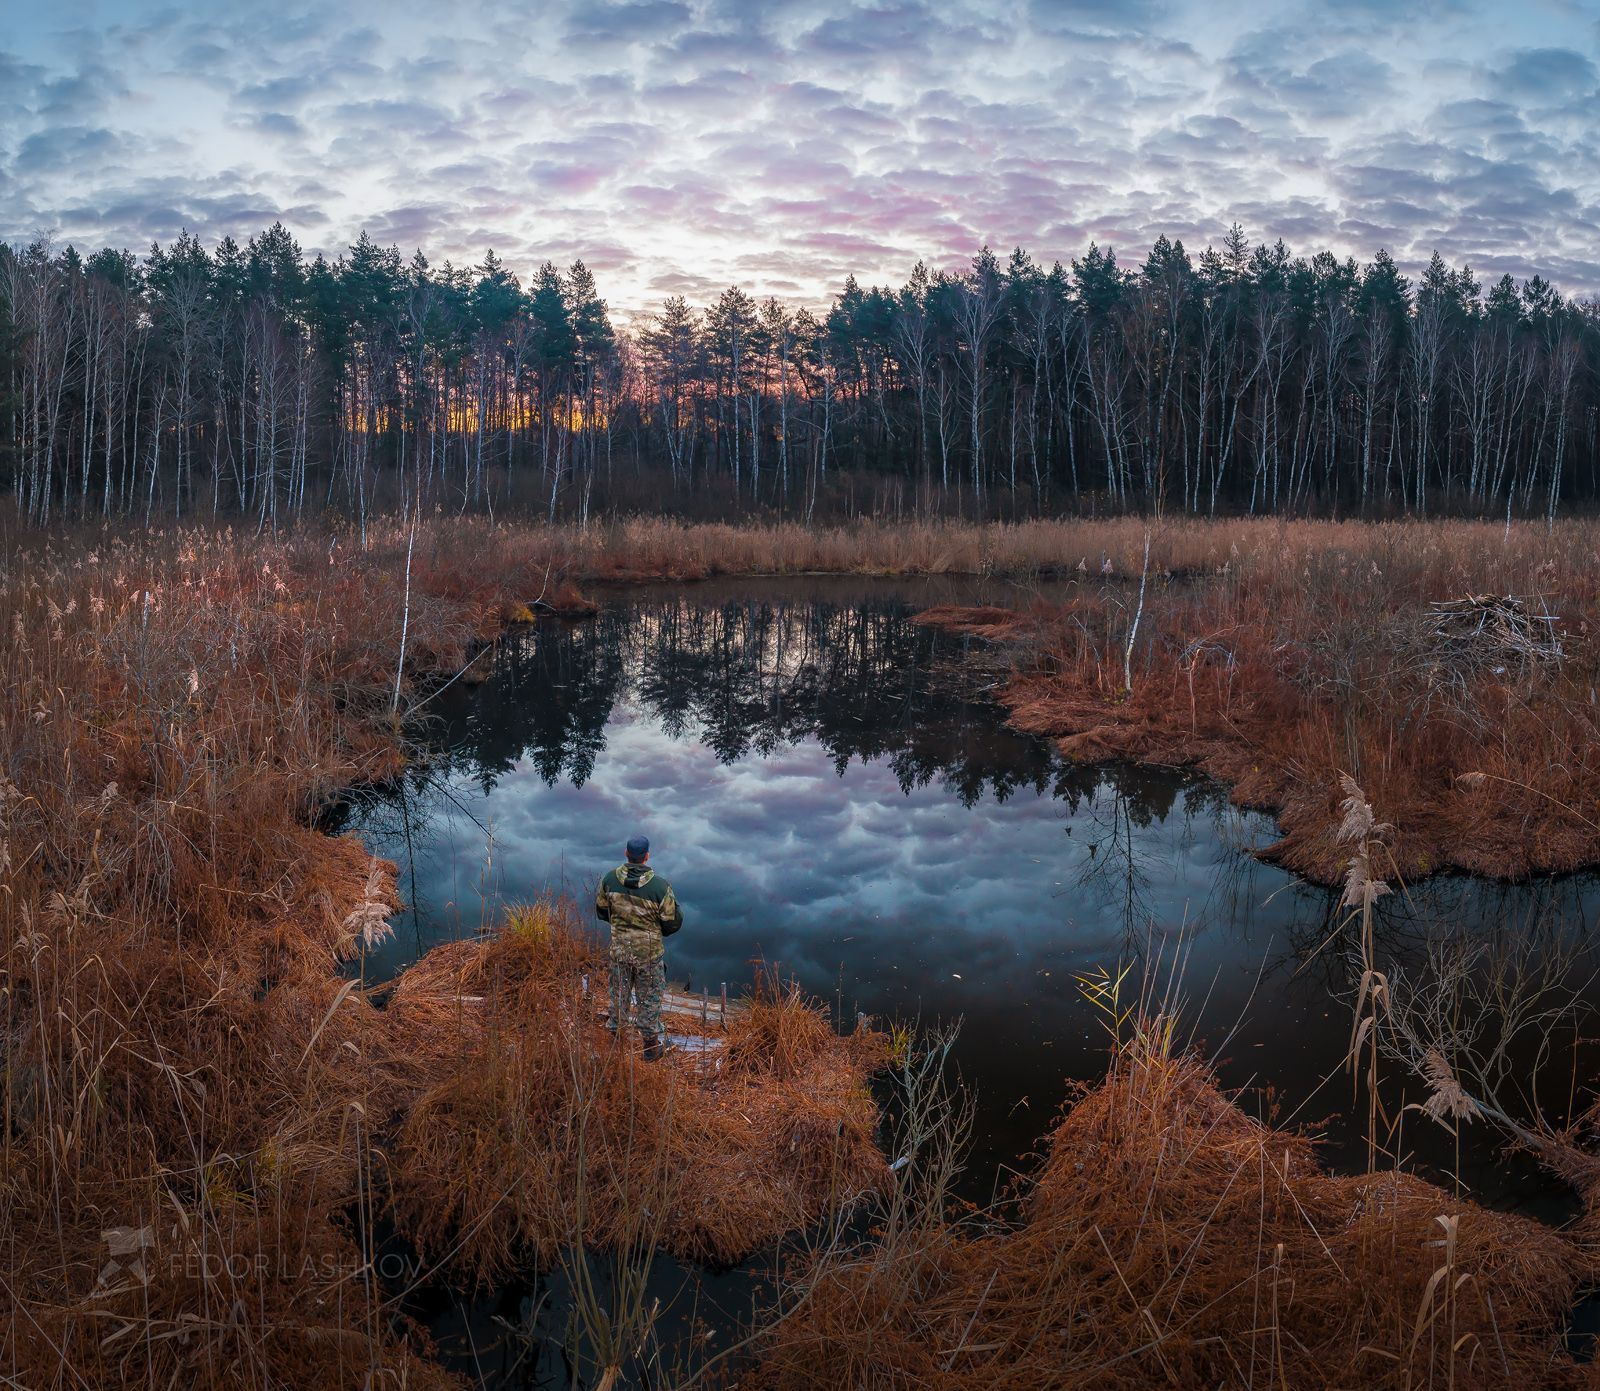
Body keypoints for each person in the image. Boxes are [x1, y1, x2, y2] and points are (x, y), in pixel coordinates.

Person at [595, 834, 683, 1059]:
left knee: (618, 997)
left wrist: (623, 925)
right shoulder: (660, 887)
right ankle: (651, 1050)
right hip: (649, 955)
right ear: (646, 856)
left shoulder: (609, 880)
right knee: (650, 1000)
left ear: (626, 854)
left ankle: (615, 1047)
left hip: (620, 952)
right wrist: (652, 931)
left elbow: (602, 912)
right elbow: (673, 923)